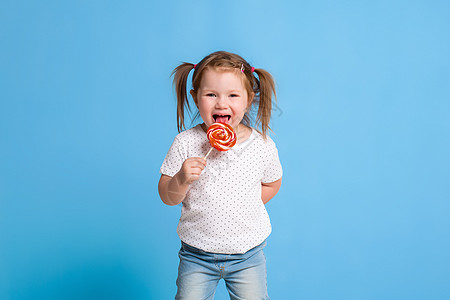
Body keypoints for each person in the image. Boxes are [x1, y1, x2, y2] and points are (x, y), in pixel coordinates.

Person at [158, 51, 282, 300]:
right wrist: (181, 180)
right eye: (211, 94)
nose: (221, 104)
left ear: (248, 99)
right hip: (197, 255)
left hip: (248, 255)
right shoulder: (185, 143)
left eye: (233, 95)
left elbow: (273, 181)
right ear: (195, 98)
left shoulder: (261, 145)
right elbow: (166, 195)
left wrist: (246, 203)